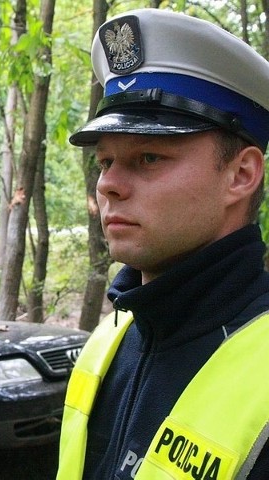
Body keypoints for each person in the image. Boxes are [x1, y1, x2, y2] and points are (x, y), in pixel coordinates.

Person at [56, 8, 269, 480]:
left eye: (148, 157)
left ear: (241, 174)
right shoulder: (110, 340)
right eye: (105, 161)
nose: (109, 184)